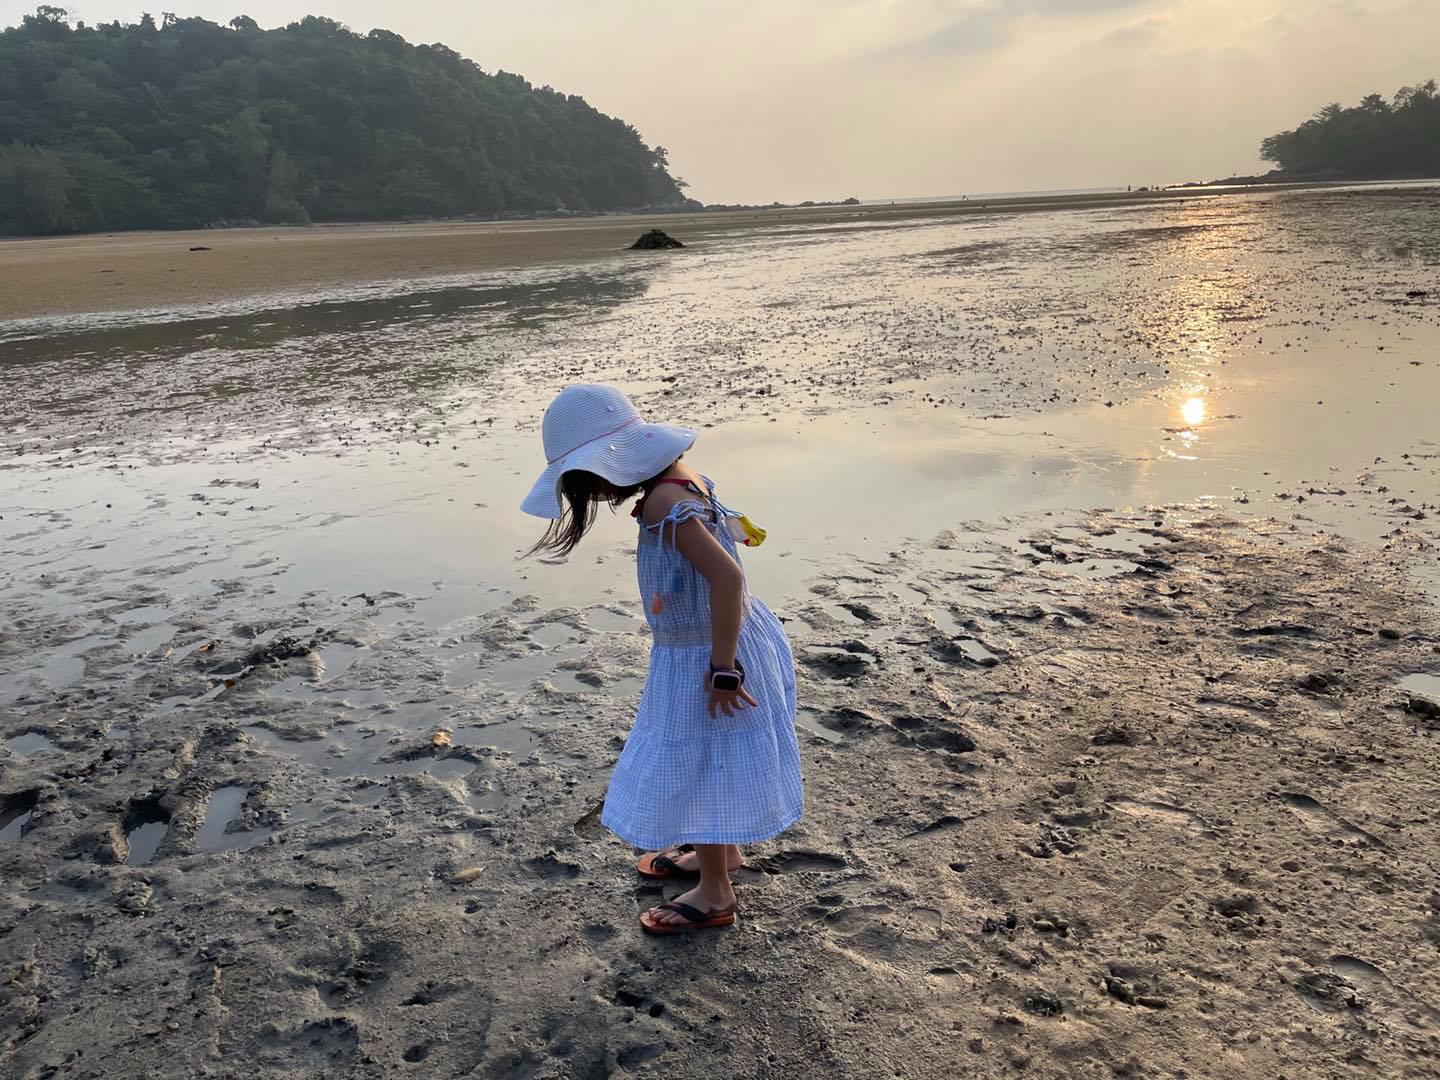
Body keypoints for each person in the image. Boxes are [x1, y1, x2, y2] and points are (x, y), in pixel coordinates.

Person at [521, 384, 803, 934]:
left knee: (700, 761)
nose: (593, 492)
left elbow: (727, 577)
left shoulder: (661, 503)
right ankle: (722, 854)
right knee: (714, 754)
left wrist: (723, 669)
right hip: (730, 634)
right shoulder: (685, 479)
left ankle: (715, 893)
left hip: (709, 651)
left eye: (585, 479)